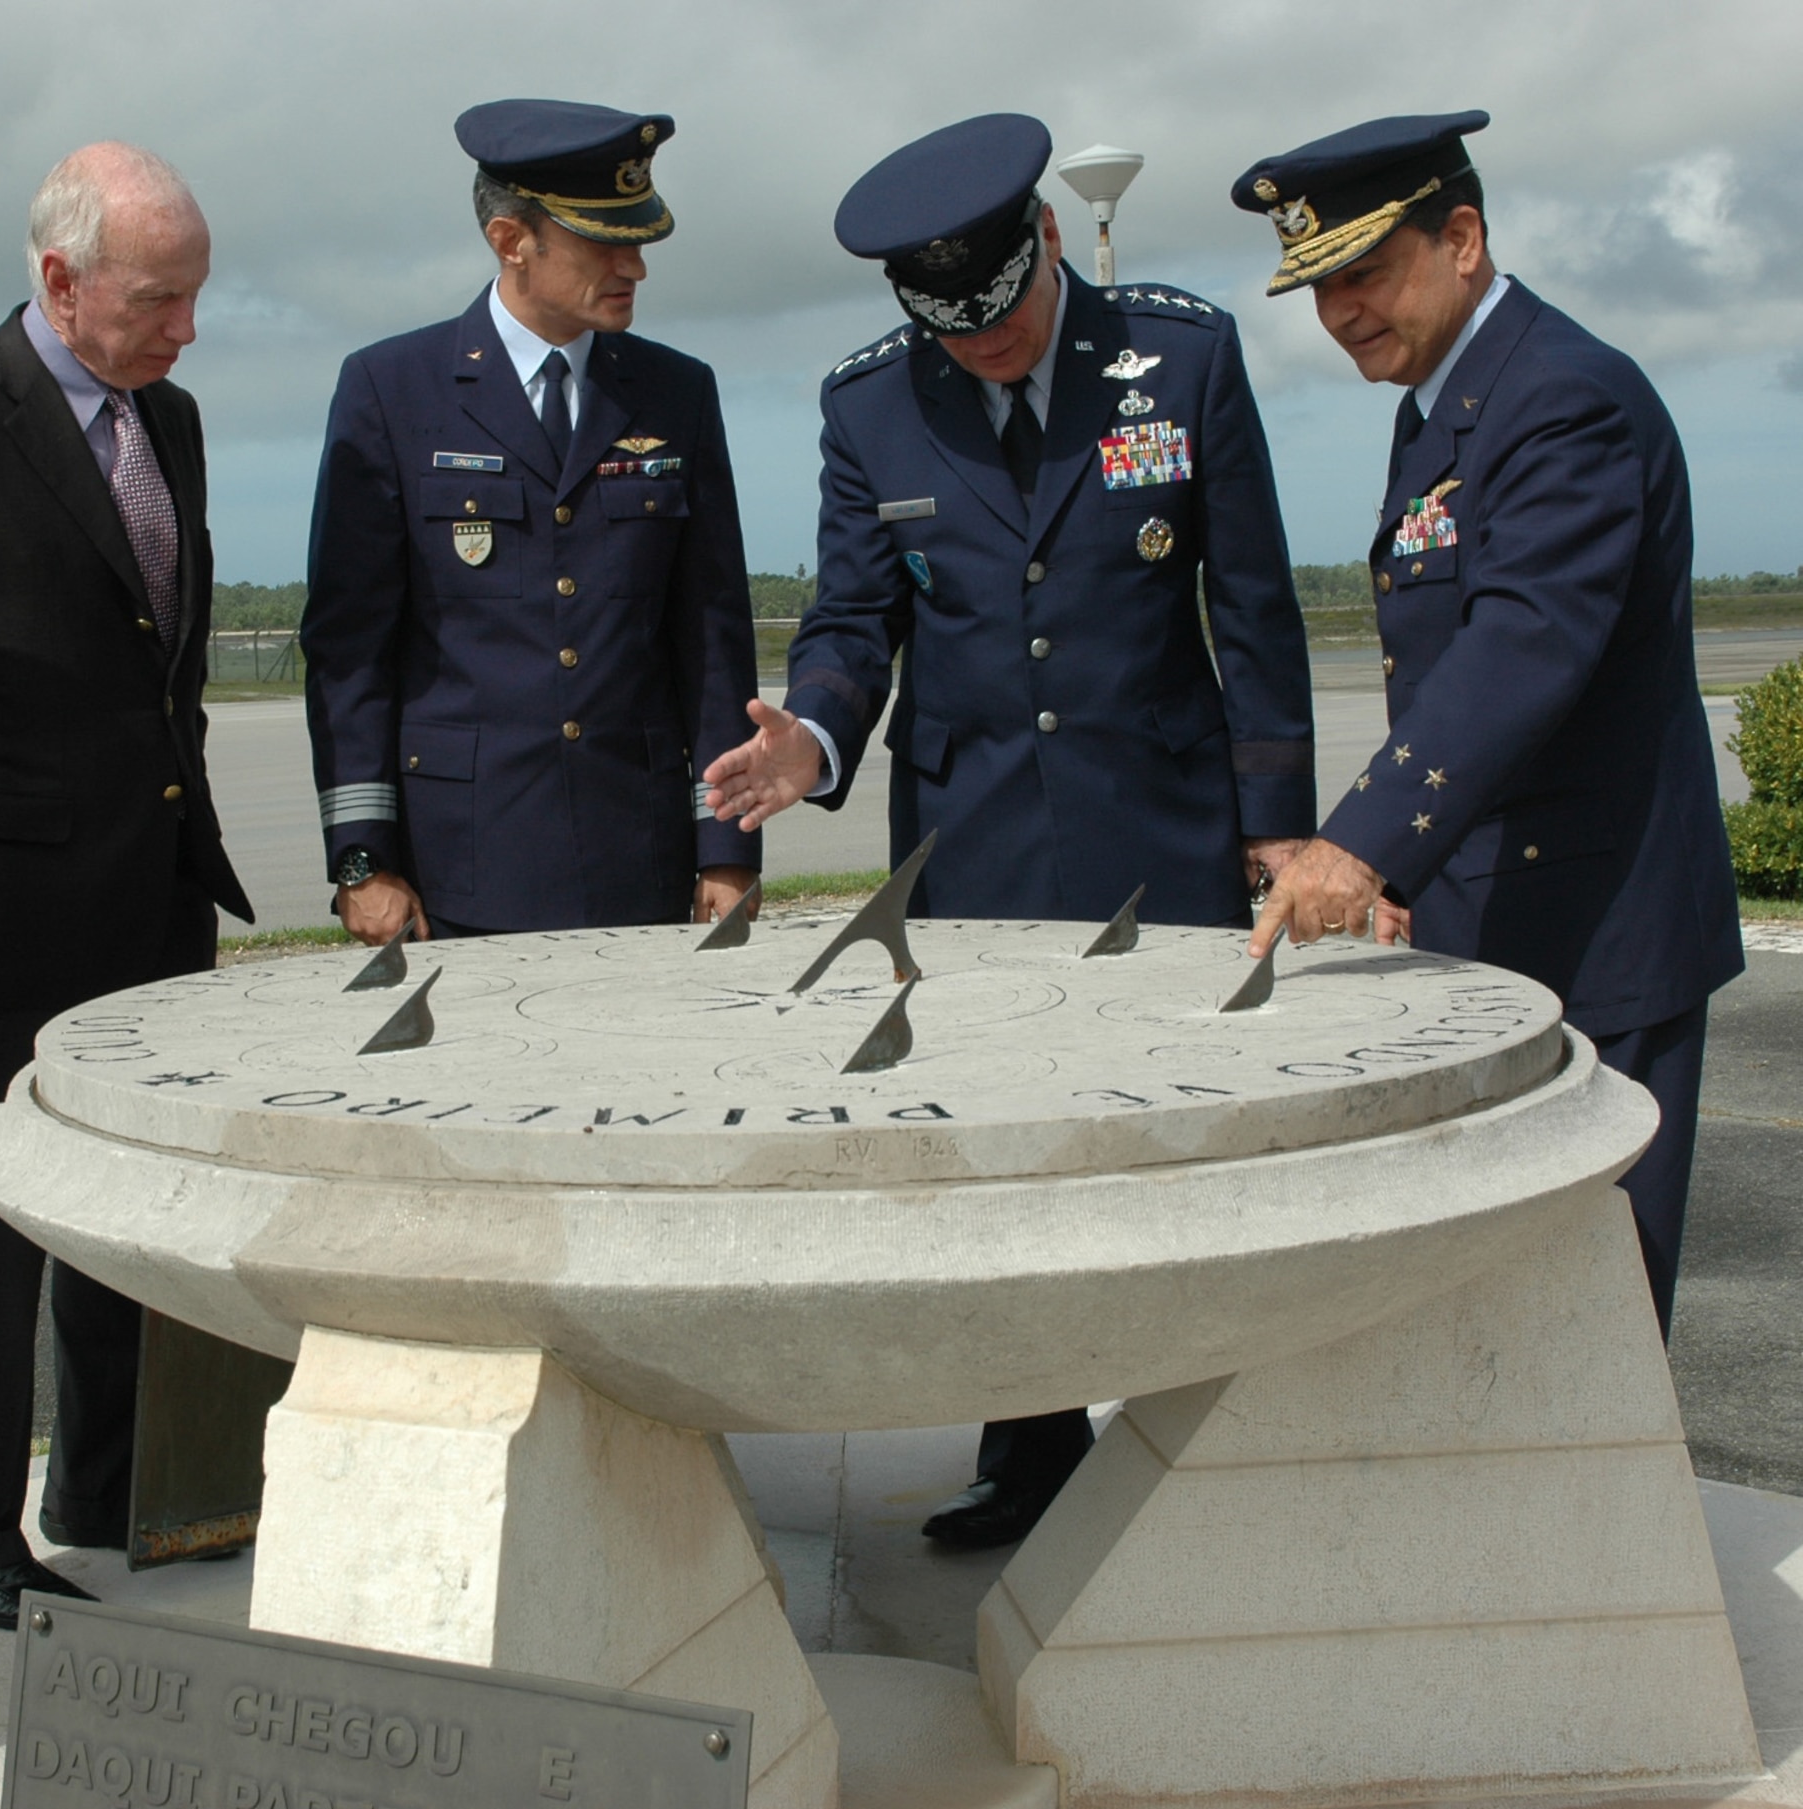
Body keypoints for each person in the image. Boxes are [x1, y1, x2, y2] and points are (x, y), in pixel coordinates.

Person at [704, 114, 1317, 1548]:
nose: (980, 347)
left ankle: (1206, 1440)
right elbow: (858, 619)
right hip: (972, 839)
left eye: (1002, 318)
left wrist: (1279, 825)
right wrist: (813, 733)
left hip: (1162, 820)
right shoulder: (870, 406)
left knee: (1188, 1147)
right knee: (1002, 1155)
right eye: (949, 331)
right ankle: (1027, 1451)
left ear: (1047, 241)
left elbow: (1257, 611)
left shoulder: (1182, 356)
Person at [1231, 111, 1742, 1337]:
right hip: (1492, 916)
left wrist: (1360, 848)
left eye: (1365, 271)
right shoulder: (1447, 405)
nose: (1341, 312)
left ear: (1460, 238)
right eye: (1318, 287)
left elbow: (1523, 646)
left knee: (1587, 1317)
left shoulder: (1563, 397)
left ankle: (1606, 1537)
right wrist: (1416, 868)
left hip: (1600, 927)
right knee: (1494, 1318)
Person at [0, 143, 252, 1628]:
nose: (183, 329)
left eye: (198, 298)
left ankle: (112, 1481)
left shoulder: (172, 422)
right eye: (158, 298)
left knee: (128, 1206)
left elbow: (167, 663)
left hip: (149, 891)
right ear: (62, 281)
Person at [301, 100, 761, 942]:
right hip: (460, 870)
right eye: (605, 242)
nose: (635, 269)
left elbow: (712, 631)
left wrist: (726, 846)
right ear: (513, 241)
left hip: (641, 860)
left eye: (640, 241)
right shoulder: (392, 390)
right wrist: (362, 860)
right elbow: (349, 648)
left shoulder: (677, 392)